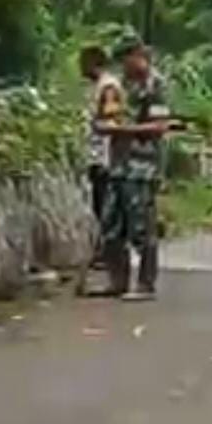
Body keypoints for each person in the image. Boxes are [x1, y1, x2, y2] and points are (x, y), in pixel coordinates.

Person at [97, 36, 173, 301]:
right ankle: (117, 281)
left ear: (138, 55)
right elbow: (107, 116)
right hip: (117, 164)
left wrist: (124, 131)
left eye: (126, 58)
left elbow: (160, 126)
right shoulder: (120, 85)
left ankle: (145, 283)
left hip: (144, 165)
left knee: (142, 226)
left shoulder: (155, 84)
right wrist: (105, 124)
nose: (123, 65)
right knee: (111, 225)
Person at [81, 44, 123, 232]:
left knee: (104, 204)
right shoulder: (97, 86)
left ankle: (108, 248)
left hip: (104, 154)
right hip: (96, 152)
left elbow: (111, 117)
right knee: (98, 203)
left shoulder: (108, 87)